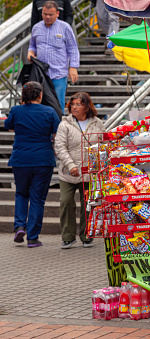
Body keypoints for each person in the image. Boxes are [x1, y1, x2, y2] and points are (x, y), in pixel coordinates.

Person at [5, 82, 60, 247]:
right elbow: (56, 133)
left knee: (21, 194)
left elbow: (8, 127)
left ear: (24, 96)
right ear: (41, 95)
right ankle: (33, 237)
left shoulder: (16, 111)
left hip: (21, 159)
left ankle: (20, 226)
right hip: (43, 159)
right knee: (38, 199)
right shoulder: (49, 111)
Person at [54, 92, 105, 249]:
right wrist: (71, 165)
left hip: (90, 172)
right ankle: (68, 236)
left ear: (87, 106)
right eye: (72, 104)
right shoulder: (65, 124)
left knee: (88, 204)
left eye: (78, 104)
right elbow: (60, 147)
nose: (74, 107)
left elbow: (103, 144)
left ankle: (86, 235)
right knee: (66, 201)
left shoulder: (97, 123)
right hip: (68, 172)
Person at [28, 0, 80, 113]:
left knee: (57, 104)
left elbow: (73, 48)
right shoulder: (36, 27)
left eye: (50, 14)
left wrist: (73, 67)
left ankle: (57, 130)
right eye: (45, 14)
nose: (47, 17)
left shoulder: (65, 27)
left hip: (58, 74)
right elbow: (32, 45)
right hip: (41, 74)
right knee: (39, 104)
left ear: (57, 13)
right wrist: (31, 52)